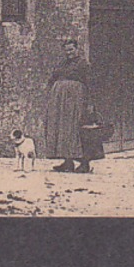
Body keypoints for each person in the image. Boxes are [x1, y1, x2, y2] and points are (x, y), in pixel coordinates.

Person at [42, 39, 90, 173]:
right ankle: (67, 162)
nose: (69, 53)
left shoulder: (83, 64)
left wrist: (88, 101)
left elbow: (88, 81)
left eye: (71, 50)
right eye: (67, 50)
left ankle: (84, 163)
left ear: (77, 49)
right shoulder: (62, 63)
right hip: (60, 101)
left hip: (74, 100)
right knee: (61, 128)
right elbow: (53, 77)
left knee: (74, 129)